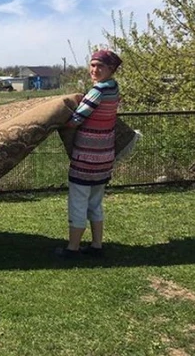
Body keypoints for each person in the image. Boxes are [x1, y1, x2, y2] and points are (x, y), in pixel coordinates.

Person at [57, 49, 122, 259]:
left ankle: (73, 248)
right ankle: (96, 245)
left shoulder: (98, 91)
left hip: (86, 156)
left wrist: (60, 123)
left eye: (100, 66)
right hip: (104, 156)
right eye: (92, 65)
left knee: (78, 201)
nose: (94, 70)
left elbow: (77, 118)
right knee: (95, 202)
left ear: (110, 69)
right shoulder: (114, 89)